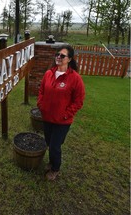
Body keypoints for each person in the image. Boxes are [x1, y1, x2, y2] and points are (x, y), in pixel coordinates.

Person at [37, 45, 85, 181]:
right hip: (47, 117)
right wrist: (41, 105)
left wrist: (65, 114)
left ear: (69, 59)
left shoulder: (75, 78)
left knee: (54, 146)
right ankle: (51, 162)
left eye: (62, 55)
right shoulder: (49, 73)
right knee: (48, 142)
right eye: (57, 54)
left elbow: (79, 101)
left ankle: (55, 169)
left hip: (62, 121)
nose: (58, 57)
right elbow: (41, 90)